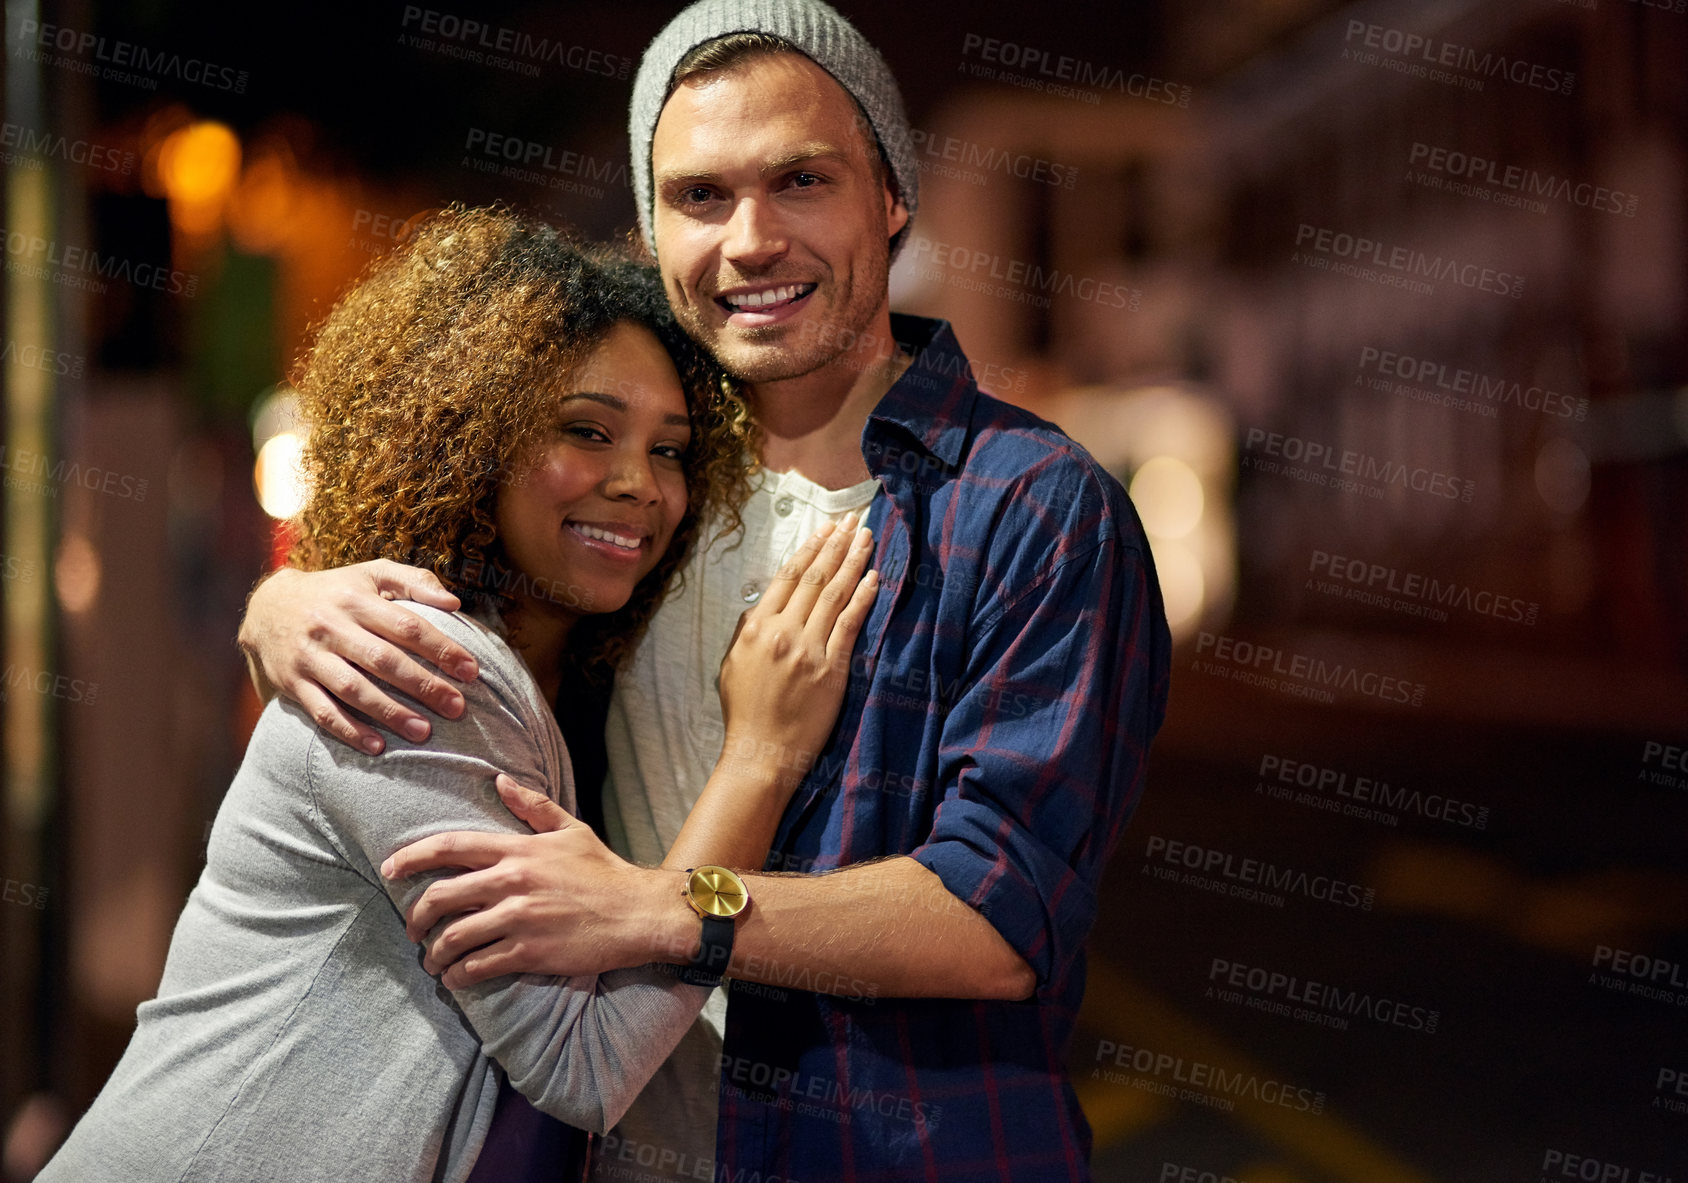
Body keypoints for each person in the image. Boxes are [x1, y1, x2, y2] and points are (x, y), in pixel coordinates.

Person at [239, 1, 1173, 1178]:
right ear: (648, 226)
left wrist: (669, 907)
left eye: (800, 181)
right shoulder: (637, 495)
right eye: (699, 196)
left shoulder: (1030, 507)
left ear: (891, 199)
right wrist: (278, 609)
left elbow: (996, 919)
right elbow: (462, 611)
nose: (750, 240)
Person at [39, 206, 878, 1183]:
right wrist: (760, 757)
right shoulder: (424, 665)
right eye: (585, 431)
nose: (637, 483)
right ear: (472, 435)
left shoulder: (588, 679)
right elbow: (584, 1061)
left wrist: (275, 603)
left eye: (668, 449)